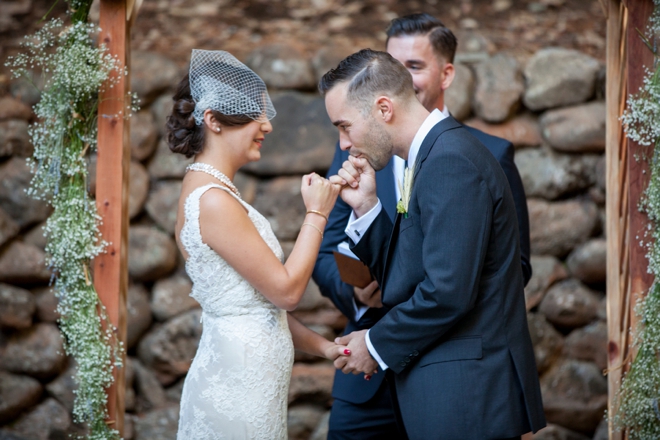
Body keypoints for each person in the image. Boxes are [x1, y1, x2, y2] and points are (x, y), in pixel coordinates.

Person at [312, 13, 532, 439]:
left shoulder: (450, 159)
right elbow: (415, 266)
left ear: (383, 108)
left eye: (344, 127)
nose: (342, 145)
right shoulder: (430, 153)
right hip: (438, 390)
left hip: (464, 398)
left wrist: (373, 344)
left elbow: (448, 289)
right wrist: (370, 210)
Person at [168, 49, 348, 439]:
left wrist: (325, 348)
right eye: (252, 113)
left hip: (248, 381)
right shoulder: (213, 201)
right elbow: (285, 292)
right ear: (213, 120)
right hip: (237, 386)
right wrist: (317, 215)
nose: (266, 124)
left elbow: (258, 307)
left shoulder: (210, 192)